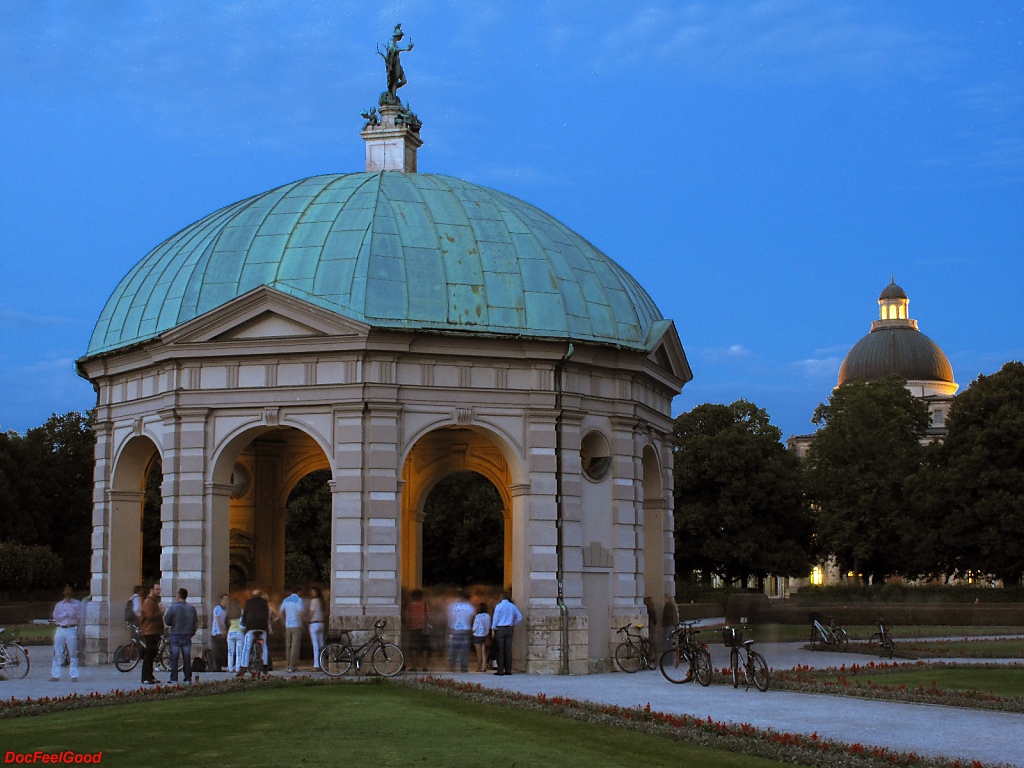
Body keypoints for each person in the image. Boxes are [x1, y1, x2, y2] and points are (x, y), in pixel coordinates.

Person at [164, 587, 199, 684]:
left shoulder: (173, 607)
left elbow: (167, 621)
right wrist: (192, 632)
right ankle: (188, 678)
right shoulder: (191, 608)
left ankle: (174, 678)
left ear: (178, 596)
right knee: (186, 658)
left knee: (174, 658)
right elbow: (196, 622)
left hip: (176, 634)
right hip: (187, 635)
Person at [51, 585, 82, 682]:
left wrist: (73, 614)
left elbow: (80, 616)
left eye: (69, 589)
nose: (68, 591)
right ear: (63, 592)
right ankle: (55, 674)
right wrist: (66, 614)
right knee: (58, 651)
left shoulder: (77, 603)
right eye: (66, 590)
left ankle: (74, 675)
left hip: (71, 628)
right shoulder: (59, 605)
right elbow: (56, 617)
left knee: (73, 652)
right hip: (60, 628)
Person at [238, 588, 270, 677]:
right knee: (264, 646)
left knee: (247, 647)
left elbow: (245, 615)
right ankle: (265, 666)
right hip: (262, 627)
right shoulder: (264, 602)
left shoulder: (249, 602)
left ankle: (243, 667)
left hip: (251, 627)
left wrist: (244, 623)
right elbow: (267, 615)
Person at [491, 591, 522, 676]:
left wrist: (493, 628)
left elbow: (495, 618)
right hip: (509, 628)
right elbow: (519, 617)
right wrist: (513, 624)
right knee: (508, 650)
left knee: (500, 649)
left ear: (501, 598)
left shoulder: (499, 606)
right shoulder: (513, 606)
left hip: (500, 628)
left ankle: (500, 670)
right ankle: (508, 670)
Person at [140, 582, 165, 685]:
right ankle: (146, 676)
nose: (159, 592)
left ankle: (150, 675)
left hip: (154, 631)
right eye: (157, 590)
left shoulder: (153, 601)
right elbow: (150, 616)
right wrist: (161, 612)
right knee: (149, 655)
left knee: (151, 654)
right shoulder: (148, 602)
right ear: (151, 590)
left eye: (159, 590)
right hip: (150, 631)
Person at [279, 586, 306, 672]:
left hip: (288, 625)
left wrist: (283, 622)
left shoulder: (286, 600)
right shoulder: (299, 600)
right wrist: (302, 624)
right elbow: (300, 613)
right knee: (295, 646)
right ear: (298, 591)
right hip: (296, 624)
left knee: (288, 646)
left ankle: (288, 664)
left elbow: (280, 612)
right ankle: (293, 665)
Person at [447, 590, 475, 673]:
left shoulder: (452, 606)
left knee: (453, 651)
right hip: (466, 630)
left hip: (455, 630)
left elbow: (449, 618)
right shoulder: (470, 607)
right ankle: (464, 667)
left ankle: (452, 667)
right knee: (465, 651)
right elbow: (472, 618)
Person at [403, 588, 430, 672]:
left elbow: (407, 617)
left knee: (413, 647)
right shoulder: (425, 605)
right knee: (424, 648)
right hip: (423, 629)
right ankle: (424, 666)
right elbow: (429, 617)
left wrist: (408, 627)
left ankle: (414, 666)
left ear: (412, 596)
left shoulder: (410, 606)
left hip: (413, 628)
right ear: (421, 596)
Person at [308, 586, 326, 670]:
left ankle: (316, 665)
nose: (311, 593)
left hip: (314, 623)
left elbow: (312, 612)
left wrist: (308, 619)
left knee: (315, 645)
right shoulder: (322, 601)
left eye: (313, 592)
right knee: (321, 644)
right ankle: (322, 663)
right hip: (321, 623)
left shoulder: (313, 601)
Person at [210, 593, 229, 672]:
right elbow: (218, 620)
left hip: (222, 632)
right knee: (218, 651)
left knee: (222, 651)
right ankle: (217, 667)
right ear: (221, 600)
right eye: (225, 599)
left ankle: (220, 666)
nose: (227, 601)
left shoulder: (225, 610)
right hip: (217, 633)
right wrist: (222, 631)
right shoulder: (218, 609)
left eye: (228, 600)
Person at [472, 601, 491, 672]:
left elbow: (475, 627)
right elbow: (488, 626)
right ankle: (484, 666)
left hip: (477, 635)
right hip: (485, 635)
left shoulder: (478, 616)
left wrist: (472, 631)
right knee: (484, 652)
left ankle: (479, 666)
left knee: (478, 652)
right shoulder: (488, 616)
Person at [226, 599, 244, 673]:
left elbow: (227, 623)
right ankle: (237, 668)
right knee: (239, 651)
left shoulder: (229, 613)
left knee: (230, 652)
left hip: (231, 632)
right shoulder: (241, 611)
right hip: (240, 632)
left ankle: (230, 668)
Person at [662, 593, 679, 659]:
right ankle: (670, 659)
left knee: (666, 642)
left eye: (664, 598)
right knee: (670, 642)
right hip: (671, 625)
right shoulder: (672, 605)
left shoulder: (668, 605)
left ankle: (667, 659)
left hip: (668, 625)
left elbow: (668, 616)